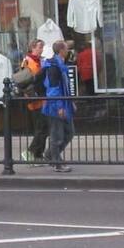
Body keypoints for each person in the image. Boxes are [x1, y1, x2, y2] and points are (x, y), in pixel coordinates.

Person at [42, 40, 75, 173]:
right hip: (56, 106)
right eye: (66, 48)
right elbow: (53, 89)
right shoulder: (54, 66)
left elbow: (63, 86)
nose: (68, 51)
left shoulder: (59, 64)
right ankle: (56, 162)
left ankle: (50, 155)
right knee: (57, 136)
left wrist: (70, 101)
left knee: (70, 132)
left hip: (63, 103)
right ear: (61, 50)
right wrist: (60, 106)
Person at [20, 39, 49, 163]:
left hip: (41, 98)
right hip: (35, 99)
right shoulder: (28, 61)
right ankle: (31, 152)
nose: (41, 49)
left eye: (42, 47)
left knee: (43, 128)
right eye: (39, 47)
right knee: (41, 127)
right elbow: (25, 80)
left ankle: (38, 154)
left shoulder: (39, 60)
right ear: (32, 47)